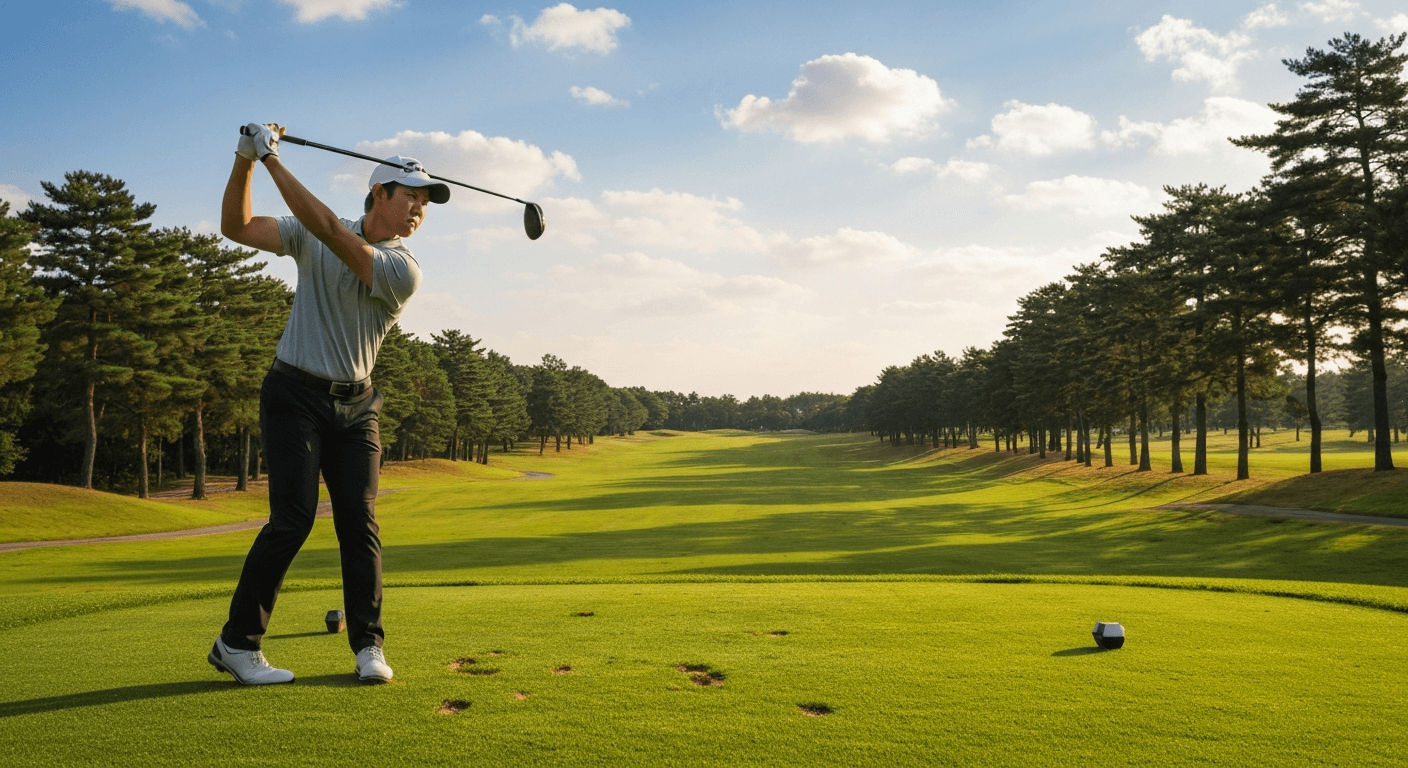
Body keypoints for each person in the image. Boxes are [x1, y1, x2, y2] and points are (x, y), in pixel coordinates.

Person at [208, 122, 449, 685]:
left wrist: (272, 160)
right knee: (291, 521)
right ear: (377, 194)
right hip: (293, 394)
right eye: (409, 195)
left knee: (358, 522)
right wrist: (245, 160)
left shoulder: (402, 269)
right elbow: (236, 227)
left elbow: (337, 239)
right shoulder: (317, 229)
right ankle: (236, 645)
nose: (418, 209)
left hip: (357, 406)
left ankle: (369, 647)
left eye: (425, 201)